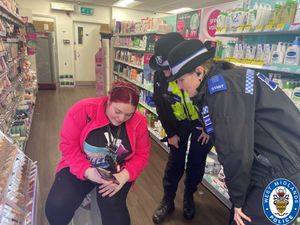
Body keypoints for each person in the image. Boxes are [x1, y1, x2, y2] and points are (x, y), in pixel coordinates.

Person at [167, 39, 300, 225]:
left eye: (181, 80)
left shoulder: (222, 92)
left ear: (199, 72)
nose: (179, 86)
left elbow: (236, 152)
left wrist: (237, 199)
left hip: (284, 171)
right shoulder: (226, 80)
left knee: (244, 220)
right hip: (275, 163)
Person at [45, 81, 150, 225]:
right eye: (117, 111)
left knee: (112, 206)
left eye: (128, 115)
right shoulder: (83, 110)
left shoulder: (139, 122)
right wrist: (87, 171)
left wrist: (124, 176)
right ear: (108, 99)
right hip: (81, 165)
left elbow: (141, 155)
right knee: (57, 206)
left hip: (116, 172)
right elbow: (68, 146)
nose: (121, 119)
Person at [149, 32, 212, 224]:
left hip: (200, 125)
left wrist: (208, 128)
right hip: (178, 123)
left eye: (168, 68)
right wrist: (170, 133)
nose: (166, 74)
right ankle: (167, 200)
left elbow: (213, 100)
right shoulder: (161, 76)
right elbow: (161, 104)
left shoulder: (200, 71)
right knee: (175, 162)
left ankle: (189, 197)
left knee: (196, 162)